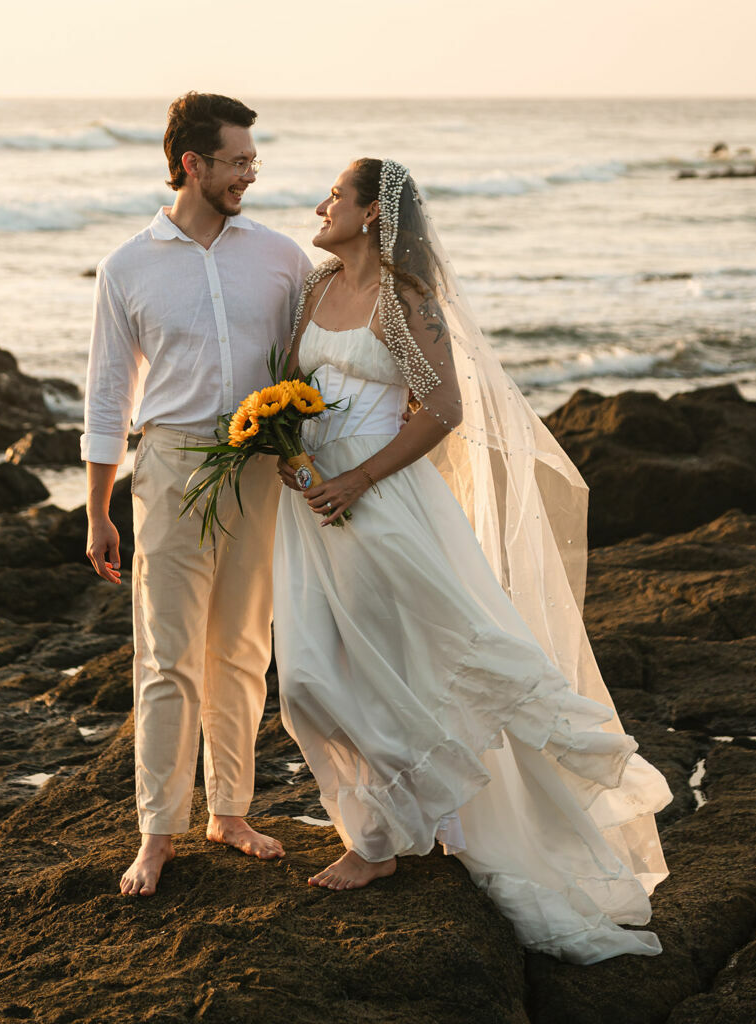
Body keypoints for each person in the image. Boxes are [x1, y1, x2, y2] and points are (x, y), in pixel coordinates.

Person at [273, 157, 672, 963]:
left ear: (373, 216)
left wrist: (356, 477)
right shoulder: (315, 290)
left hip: (380, 500)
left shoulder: (404, 302)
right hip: (310, 504)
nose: (320, 204)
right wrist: (280, 443)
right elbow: (287, 386)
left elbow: (444, 409)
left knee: (409, 662)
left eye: (335, 196)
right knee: (315, 673)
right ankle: (391, 824)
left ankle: (382, 841)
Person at [82, 92, 312, 896]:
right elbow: (108, 396)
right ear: (194, 165)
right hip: (171, 466)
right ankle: (157, 831)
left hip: (258, 465)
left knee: (245, 648)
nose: (252, 172)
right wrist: (98, 509)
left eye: (252, 159)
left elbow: (305, 368)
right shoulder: (127, 266)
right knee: (165, 655)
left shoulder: (282, 257)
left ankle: (232, 811)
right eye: (239, 160)